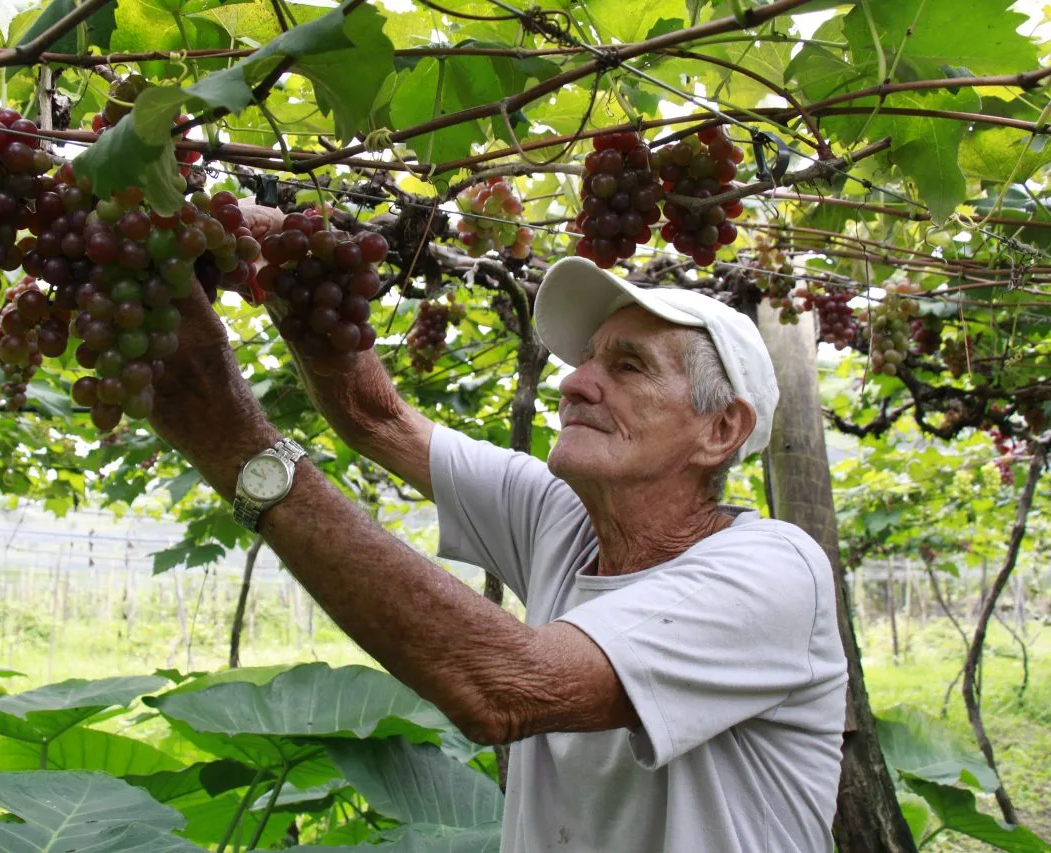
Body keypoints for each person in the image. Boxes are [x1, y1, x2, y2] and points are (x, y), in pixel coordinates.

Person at [148, 208, 849, 852]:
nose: (574, 384)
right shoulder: (562, 515)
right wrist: (295, 260)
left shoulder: (773, 571)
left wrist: (235, 444)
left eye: (628, 365)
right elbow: (377, 417)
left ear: (721, 427)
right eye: (587, 360)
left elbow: (509, 687)